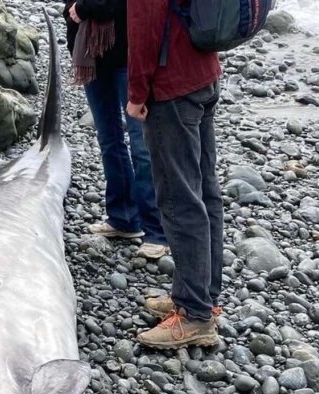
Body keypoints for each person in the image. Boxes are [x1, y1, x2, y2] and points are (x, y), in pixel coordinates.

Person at [126, 0, 224, 349]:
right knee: (205, 193)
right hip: (203, 73)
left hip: (172, 87)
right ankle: (200, 295)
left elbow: (144, 26)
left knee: (179, 198)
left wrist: (137, 92)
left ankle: (195, 315)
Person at [64, 0, 168, 260]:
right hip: (91, 55)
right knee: (109, 141)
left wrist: (86, 7)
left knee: (142, 145)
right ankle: (123, 218)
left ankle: (156, 231)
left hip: (130, 58)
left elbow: (132, 6)